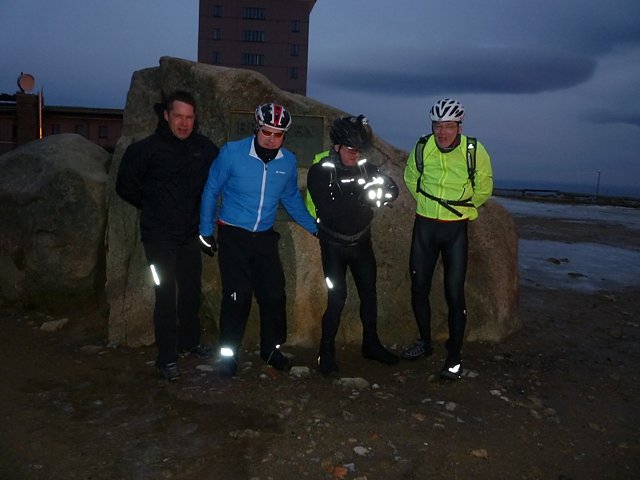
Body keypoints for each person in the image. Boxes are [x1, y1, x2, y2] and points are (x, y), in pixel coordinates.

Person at [199, 102, 318, 377]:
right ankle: (228, 355)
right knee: (237, 296)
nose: (271, 139)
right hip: (233, 234)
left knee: (274, 294)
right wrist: (205, 230)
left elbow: (290, 198)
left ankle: (271, 350)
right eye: (266, 132)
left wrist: (314, 228)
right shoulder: (232, 153)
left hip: (264, 236)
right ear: (257, 128)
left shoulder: (287, 161)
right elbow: (211, 190)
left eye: (278, 134)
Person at [116, 90, 220, 381]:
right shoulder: (145, 150)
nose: (184, 123)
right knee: (165, 294)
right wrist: (151, 205)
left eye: (189, 117)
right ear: (166, 116)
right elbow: (124, 186)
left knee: (191, 291)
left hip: (189, 236)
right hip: (158, 237)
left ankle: (189, 342)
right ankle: (166, 357)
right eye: (178, 117)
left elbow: (220, 177)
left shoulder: (204, 148)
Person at [402, 98, 493, 380]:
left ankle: (454, 356)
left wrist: (462, 209)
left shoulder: (473, 150)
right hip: (425, 226)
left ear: (459, 127)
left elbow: (484, 186)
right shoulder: (422, 147)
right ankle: (424, 342)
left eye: (449, 126)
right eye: (438, 126)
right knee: (419, 287)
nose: (442, 132)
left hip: (455, 229)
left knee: (454, 293)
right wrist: (428, 206)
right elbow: (411, 178)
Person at [306, 115, 400, 375]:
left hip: (361, 243)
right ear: (336, 146)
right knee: (337, 298)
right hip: (333, 246)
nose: (354, 155)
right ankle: (326, 351)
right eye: (350, 149)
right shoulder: (320, 171)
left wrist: (379, 194)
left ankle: (371, 344)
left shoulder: (366, 168)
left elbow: (392, 189)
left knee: (369, 294)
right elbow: (331, 209)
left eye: (358, 150)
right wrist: (365, 196)